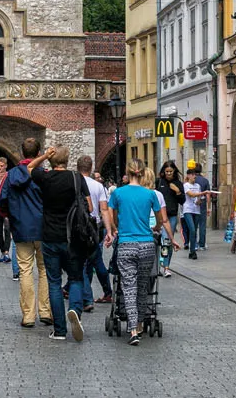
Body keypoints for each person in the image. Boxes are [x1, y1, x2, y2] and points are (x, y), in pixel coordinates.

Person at [103, 158, 168, 346]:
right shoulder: (150, 194)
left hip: (126, 244)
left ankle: (132, 330)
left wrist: (116, 228)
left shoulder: (118, 193)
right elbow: (160, 219)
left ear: (127, 171)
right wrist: (155, 228)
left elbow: (112, 216)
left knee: (128, 287)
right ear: (142, 172)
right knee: (142, 286)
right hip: (147, 244)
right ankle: (139, 324)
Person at [27, 146, 89, 342]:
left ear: (52, 161)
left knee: (54, 282)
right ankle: (75, 309)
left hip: (50, 236)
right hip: (73, 237)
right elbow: (89, 206)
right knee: (76, 277)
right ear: (67, 160)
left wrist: (45, 155)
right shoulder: (76, 178)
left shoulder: (45, 177)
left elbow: (30, 167)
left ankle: (60, 330)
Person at [5, 137, 53, 329]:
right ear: (38, 153)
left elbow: (1, 200)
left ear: (22, 153)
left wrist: (12, 215)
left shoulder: (12, 175)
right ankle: (45, 311)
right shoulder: (44, 175)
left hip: (21, 227)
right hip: (43, 228)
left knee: (25, 270)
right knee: (44, 269)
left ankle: (28, 315)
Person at [79, 156, 111, 308]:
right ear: (91, 168)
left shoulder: (75, 182)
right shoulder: (98, 186)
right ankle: (107, 291)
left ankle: (87, 298)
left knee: (82, 264)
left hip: (79, 227)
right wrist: (109, 230)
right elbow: (104, 209)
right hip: (95, 227)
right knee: (97, 260)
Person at [155, 161, 186, 275]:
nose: (168, 173)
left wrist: (177, 191)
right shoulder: (159, 182)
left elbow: (183, 201)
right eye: (166, 171)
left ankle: (166, 266)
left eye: (170, 171)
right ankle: (160, 264)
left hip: (171, 216)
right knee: (162, 240)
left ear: (174, 171)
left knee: (167, 241)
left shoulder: (178, 183)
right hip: (159, 215)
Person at [0, 157, 14, 266]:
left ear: (6, 166)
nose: (0, 168)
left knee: (7, 229)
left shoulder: (9, 176)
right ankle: (2, 251)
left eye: (1, 166)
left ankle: (6, 252)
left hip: (7, 208)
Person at [181, 167, 203, 261]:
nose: (194, 176)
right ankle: (192, 250)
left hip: (196, 210)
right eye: (193, 175)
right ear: (188, 176)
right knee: (192, 229)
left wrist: (199, 201)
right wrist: (203, 193)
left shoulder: (198, 186)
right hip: (187, 210)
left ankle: (192, 251)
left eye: (195, 175)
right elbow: (191, 194)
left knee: (194, 231)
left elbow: (199, 198)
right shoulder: (186, 185)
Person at [192, 162, 212, 251]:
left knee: (193, 225)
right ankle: (202, 244)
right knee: (202, 224)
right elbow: (208, 195)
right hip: (202, 203)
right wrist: (208, 207)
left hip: (192, 203)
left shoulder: (191, 180)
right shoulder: (205, 181)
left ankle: (194, 243)